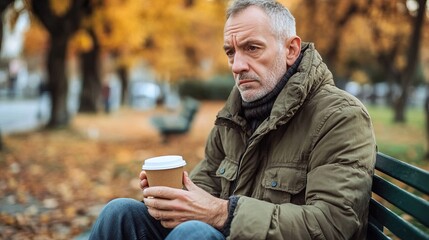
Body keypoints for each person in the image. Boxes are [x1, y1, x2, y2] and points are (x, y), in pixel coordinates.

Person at [89, 0, 376, 239]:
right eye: (231, 52)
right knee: (120, 213)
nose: (237, 66)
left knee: (194, 235)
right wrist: (172, 196)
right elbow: (205, 188)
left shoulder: (340, 117)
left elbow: (334, 226)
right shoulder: (235, 114)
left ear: (291, 50)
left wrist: (223, 213)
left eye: (252, 48)